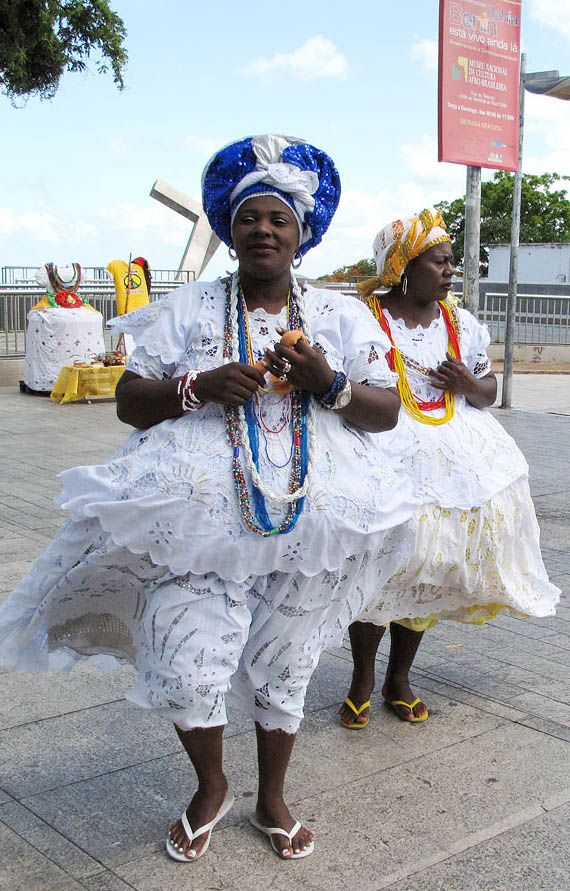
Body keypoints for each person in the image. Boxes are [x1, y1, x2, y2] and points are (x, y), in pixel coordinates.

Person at [0, 135, 417, 863]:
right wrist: (197, 387)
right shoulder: (189, 307)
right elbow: (131, 400)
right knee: (187, 659)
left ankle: (273, 797)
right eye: (249, 218)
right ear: (230, 230)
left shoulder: (341, 315)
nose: (263, 229)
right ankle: (212, 786)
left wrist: (329, 382)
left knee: (285, 664)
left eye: (278, 219)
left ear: (300, 234)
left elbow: (385, 411)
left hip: (312, 523)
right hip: (195, 524)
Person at [338, 208, 560, 729]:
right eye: (440, 262)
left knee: (428, 567)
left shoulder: (461, 323)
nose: (450, 272)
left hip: (453, 463)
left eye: (450, 263)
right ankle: (362, 679)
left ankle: (400, 679)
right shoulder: (363, 320)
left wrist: (466, 384)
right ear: (403, 266)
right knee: (379, 568)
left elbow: (489, 393)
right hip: (382, 452)